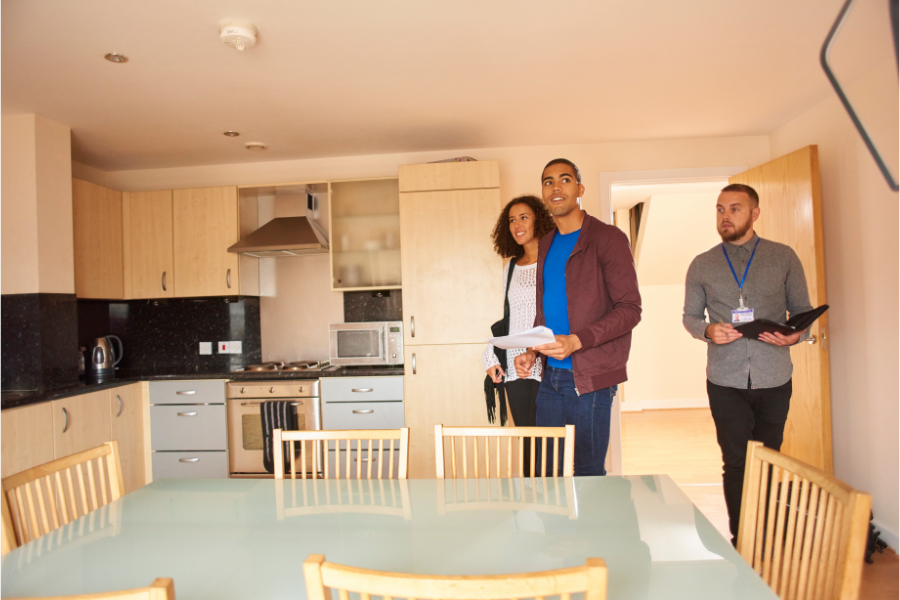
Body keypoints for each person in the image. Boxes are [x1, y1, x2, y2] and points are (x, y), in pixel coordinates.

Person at [683, 183, 813, 544]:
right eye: (720, 209)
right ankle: (744, 539)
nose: (725, 216)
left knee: (769, 460)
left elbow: (801, 311)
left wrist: (796, 335)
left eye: (735, 209)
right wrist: (708, 330)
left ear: (755, 214)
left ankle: (768, 535)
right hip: (725, 381)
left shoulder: (784, 257)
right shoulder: (702, 263)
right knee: (736, 461)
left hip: (774, 377)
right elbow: (690, 317)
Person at [515, 158, 642, 476]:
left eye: (565, 179)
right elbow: (545, 309)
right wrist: (531, 349)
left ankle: (591, 528)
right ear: (544, 195)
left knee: (588, 474)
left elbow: (629, 310)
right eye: (548, 182)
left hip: (590, 381)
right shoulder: (546, 243)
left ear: (580, 188)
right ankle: (558, 528)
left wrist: (577, 340)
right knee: (548, 471)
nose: (556, 187)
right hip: (550, 379)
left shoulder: (608, 238)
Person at [483, 195, 555, 475]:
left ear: (539, 219)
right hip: (515, 364)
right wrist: (491, 353)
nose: (517, 224)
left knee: (550, 441)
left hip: (548, 358)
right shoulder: (510, 267)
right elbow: (508, 319)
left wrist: (534, 350)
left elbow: (558, 313)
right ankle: (530, 510)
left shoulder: (555, 261)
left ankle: (555, 507)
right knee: (526, 438)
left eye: (523, 217)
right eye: (511, 220)